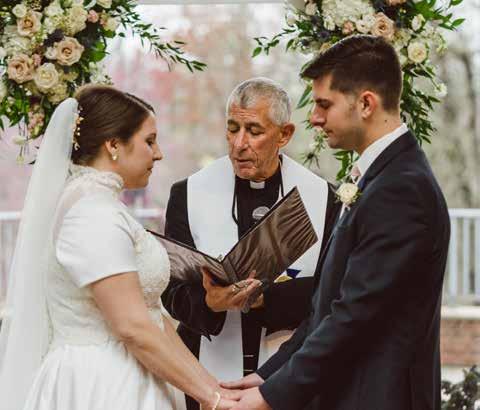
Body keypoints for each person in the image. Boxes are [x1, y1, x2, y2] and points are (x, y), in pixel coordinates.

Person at [225, 35, 451, 410]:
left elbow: (354, 317)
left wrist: (270, 397)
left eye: (323, 104)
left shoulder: (402, 189)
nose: (314, 118)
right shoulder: (380, 176)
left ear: (366, 104)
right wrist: (268, 376)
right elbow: (326, 307)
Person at [0, 85, 240, 410]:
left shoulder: (103, 205)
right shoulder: (91, 213)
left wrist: (215, 389)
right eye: (149, 141)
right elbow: (132, 327)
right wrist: (211, 398)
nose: (158, 153)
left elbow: (152, 318)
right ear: (113, 145)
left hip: (134, 373)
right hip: (102, 385)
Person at [162, 77, 340, 410]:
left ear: (284, 135)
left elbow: (331, 294)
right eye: (232, 129)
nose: (238, 144)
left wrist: (262, 299)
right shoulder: (187, 194)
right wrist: (210, 302)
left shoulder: (324, 198)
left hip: (289, 376)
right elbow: (172, 292)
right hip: (207, 376)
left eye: (254, 131)